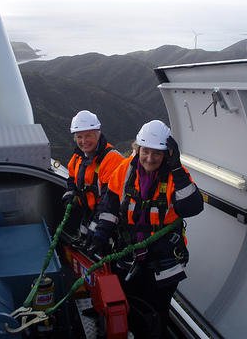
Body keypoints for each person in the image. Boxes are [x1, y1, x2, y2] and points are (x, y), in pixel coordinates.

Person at [89, 120, 203, 337]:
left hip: (163, 264)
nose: (150, 158)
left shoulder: (175, 176)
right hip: (127, 260)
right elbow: (109, 208)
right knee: (128, 310)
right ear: (137, 149)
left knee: (156, 315)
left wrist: (178, 169)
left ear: (167, 155)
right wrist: (100, 236)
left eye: (157, 153)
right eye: (145, 151)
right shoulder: (124, 171)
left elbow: (192, 207)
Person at [61, 110, 124, 246]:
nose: (84, 141)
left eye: (88, 135)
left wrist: (98, 230)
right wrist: (70, 195)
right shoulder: (78, 158)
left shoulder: (112, 160)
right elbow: (72, 180)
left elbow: (110, 201)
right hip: (88, 218)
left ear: (98, 134)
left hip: (109, 225)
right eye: (79, 137)